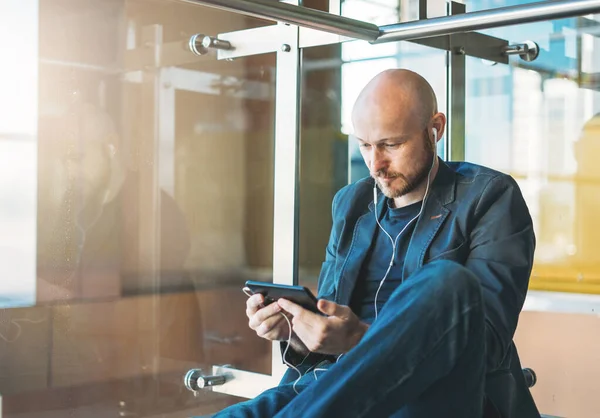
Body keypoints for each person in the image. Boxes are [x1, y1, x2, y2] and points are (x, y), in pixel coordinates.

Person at [214, 69, 539, 417]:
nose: (375, 164)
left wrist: (359, 339)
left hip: (431, 396)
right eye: (365, 145)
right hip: (329, 387)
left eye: (391, 144)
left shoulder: (489, 197)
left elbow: (484, 346)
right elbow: (329, 315)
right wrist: (295, 329)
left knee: (447, 282)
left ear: (436, 129)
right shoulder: (351, 203)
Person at [37, 102, 192, 302]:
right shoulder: (75, 203)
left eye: (77, 158)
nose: (71, 172)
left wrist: (50, 293)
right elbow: (53, 268)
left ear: (111, 146)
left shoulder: (157, 211)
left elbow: (143, 312)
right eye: (65, 161)